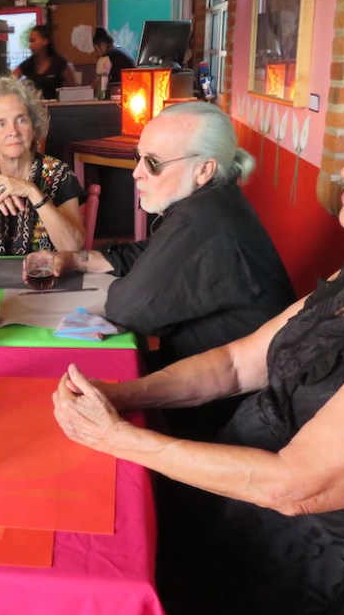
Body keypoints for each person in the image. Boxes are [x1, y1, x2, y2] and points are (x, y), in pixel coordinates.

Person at [52, 64, 344, 615]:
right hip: (237, 517)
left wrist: (118, 437)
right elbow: (238, 362)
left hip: (312, 589)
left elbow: (298, 487)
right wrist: (123, 395)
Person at [27, 102, 293, 413]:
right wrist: (76, 260)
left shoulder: (200, 223)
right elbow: (151, 251)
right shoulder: (216, 201)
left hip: (225, 411)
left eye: (152, 162)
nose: (137, 172)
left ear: (204, 170)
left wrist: (129, 279)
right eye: (138, 157)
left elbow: (127, 308)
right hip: (208, 382)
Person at [0, 76, 85, 255]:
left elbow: (73, 247)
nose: (13, 131)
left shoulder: (58, 174)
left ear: (34, 127)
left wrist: (32, 191)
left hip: (43, 272)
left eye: (21, 120)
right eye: (1, 123)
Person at [10, 24, 77, 100]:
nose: (30, 45)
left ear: (45, 41)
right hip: (35, 106)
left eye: (33, 41)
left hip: (56, 106)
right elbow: (11, 79)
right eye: (30, 41)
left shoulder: (59, 62)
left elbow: (73, 88)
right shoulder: (29, 63)